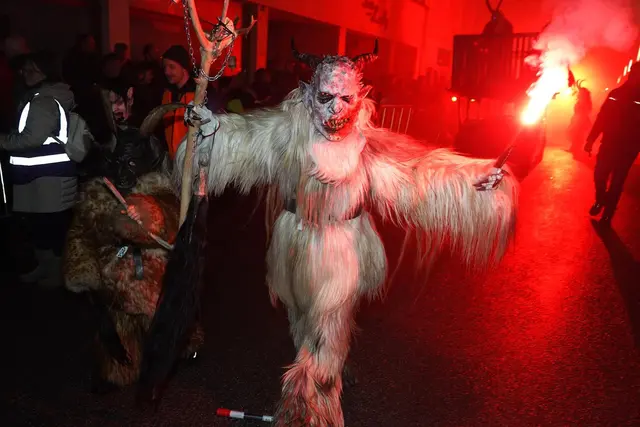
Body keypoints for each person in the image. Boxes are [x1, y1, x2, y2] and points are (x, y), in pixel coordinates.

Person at [143, 42, 518, 426]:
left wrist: (474, 179)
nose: (336, 109)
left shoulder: (366, 147)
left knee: (326, 330)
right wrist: (211, 131)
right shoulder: (285, 132)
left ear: (361, 97)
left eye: (345, 98)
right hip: (293, 246)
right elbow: (242, 139)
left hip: (343, 250)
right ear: (308, 95)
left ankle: (312, 407)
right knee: (304, 323)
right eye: (325, 98)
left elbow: (418, 176)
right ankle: (328, 360)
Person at [62, 98, 201, 393]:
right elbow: (82, 237)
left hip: (154, 281)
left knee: (165, 325)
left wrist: (150, 215)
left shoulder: (160, 192)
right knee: (119, 335)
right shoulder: (97, 195)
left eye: (131, 164)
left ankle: (183, 344)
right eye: (119, 163)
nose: (124, 172)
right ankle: (121, 367)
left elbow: (174, 226)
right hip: (115, 284)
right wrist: (87, 281)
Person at [0, 50, 89, 287]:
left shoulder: (43, 101)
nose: (25, 73)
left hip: (46, 175)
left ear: (45, 72)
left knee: (48, 227)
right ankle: (47, 268)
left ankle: (56, 273)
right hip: (46, 174)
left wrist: (3, 141)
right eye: (25, 69)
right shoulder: (46, 96)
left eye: (32, 69)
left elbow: (31, 138)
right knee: (45, 226)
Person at [584, 63, 640, 226]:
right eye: (634, 72)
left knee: (617, 181)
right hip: (609, 143)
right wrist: (591, 139)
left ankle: (608, 214)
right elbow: (602, 117)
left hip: (629, 148)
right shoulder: (616, 93)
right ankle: (601, 199)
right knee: (599, 174)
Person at [160, 45, 195, 160]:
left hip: (191, 160)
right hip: (172, 160)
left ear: (184, 68)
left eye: (172, 67)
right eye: (165, 67)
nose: (166, 72)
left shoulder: (198, 94)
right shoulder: (167, 94)